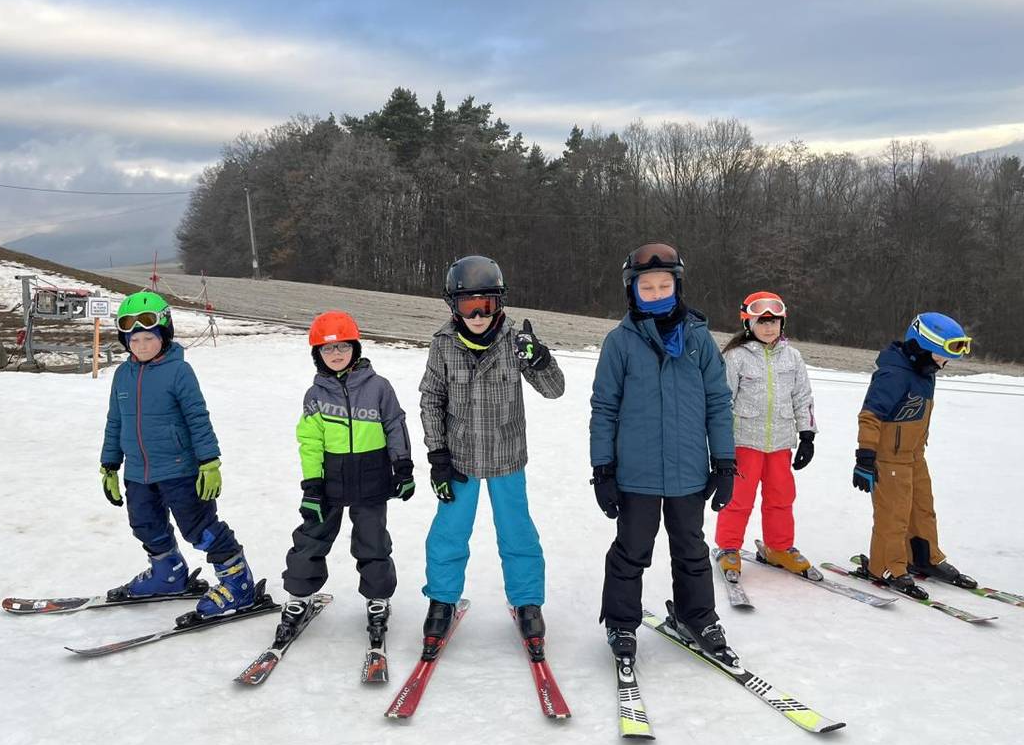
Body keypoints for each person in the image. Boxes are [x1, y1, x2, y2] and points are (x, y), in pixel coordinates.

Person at [590, 243, 737, 664]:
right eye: (647, 287)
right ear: (633, 291)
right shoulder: (619, 343)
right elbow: (604, 408)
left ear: (677, 286)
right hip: (635, 474)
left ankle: (698, 617)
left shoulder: (699, 340)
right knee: (631, 549)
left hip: (689, 472)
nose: (657, 293)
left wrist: (724, 463)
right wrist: (603, 469)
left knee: (691, 548)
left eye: (664, 285)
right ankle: (620, 622)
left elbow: (717, 403)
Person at [418, 255, 564, 647]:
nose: (479, 314)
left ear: (500, 303)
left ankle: (527, 601)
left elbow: (554, 389)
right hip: (461, 459)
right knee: (448, 533)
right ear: (454, 306)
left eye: (487, 304)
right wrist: (438, 456)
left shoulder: (516, 343)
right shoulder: (443, 345)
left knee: (517, 533)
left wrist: (541, 360)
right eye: (469, 305)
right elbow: (431, 400)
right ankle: (442, 601)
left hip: (506, 458)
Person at [99, 291, 257, 618]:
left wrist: (209, 462)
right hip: (138, 473)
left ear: (164, 335)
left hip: (180, 470)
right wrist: (110, 465)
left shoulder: (179, 372)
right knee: (144, 524)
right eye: (134, 339)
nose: (141, 345)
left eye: (148, 338)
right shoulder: (122, 375)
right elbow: (115, 421)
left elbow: (197, 417)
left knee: (199, 527)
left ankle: (237, 581)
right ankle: (167, 574)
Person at [279, 311, 414, 642]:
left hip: (372, 478)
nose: (336, 354)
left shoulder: (379, 387)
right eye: (327, 350)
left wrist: (403, 466)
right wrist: (312, 486)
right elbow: (310, 443)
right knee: (311, 537)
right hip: (330, 481)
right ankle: (299, 596)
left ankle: (377, 598)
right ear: (317, 355)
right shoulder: (315, 396)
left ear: (355, 347)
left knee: (373, 540)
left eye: (342, 347)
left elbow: (395, 424)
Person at [852, 311, 976, 598]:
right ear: (925, 345)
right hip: (889, 459)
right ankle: (886, 566)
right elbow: (870, 416)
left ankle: (925, 557)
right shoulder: (893, 374)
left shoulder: (925, 372)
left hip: (914, 456)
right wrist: (865, 457)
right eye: (946, 354)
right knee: (892, 516)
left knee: (922, 510)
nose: (948, 363)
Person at [714, 291, 818, 581]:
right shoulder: (736, 357)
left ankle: (779, 546)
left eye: (774, 322)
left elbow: (803, 397)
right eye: (762, 322)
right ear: (749, 324)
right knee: (738, 498)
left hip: (781, 443)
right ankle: (729, 547)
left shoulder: (793, 357)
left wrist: (807, 434)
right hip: (744, 442)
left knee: (781, 497)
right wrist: (720, 442)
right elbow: (723, 401)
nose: (769, 328)